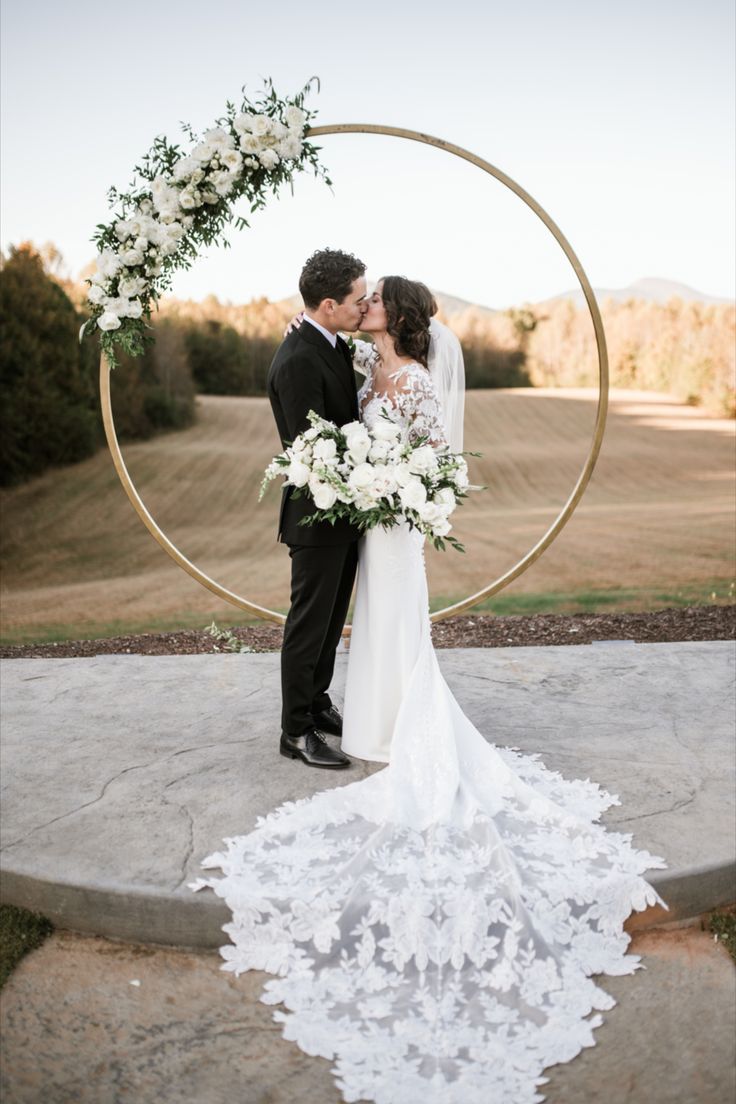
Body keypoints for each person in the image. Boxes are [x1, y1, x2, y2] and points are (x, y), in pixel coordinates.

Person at [194, 275, 667, 1104]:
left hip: (391, 528)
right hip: (362, 521)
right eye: (360, 295)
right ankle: (361, 718)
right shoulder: (361, 363)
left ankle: (388, 722)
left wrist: (391, 483)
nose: (367, 302)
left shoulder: (408, 376)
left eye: (376, 298)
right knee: (359, 628)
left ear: (394, 315)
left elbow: (425, 455)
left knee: (389, 628)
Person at [266, 248, 367, 770]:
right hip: (316, 513)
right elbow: (311, 446)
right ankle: (295, 731)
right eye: (357, 298)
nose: (364, 304)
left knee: (330, 625)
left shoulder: (329, 343)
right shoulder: (299, 358)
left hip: (344, 514)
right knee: (308, 626)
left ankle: (318, 703)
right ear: (328, 304)